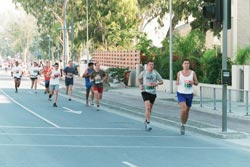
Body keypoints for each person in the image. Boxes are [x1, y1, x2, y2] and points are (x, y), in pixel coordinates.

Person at [138, 60, 163, 131]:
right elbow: (139, 79)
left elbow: (161, 81)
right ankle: (148, 123)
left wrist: (156, 84)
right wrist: (140, 85)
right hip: (145, 92)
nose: (151, 66)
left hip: (153, 92)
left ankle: (146, 120)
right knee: (148, 107)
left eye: (152, 65)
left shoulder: (155, 73)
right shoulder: (143, 73)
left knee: (150, 109)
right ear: (147, 65)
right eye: (150, 65)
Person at [176, 59, 198, 135]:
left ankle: (184, 124)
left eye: (188, 63)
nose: (186, 64)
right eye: (185, 63)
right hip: (181, 93)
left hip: (189, 94)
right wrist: (177, 82)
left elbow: (196, 83)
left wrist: (193, 82)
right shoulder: (179, 73)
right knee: (184, 108)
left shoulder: (192, 73)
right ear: (182, 65)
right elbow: (177, 81)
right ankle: (182, 124)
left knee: (187, 110)